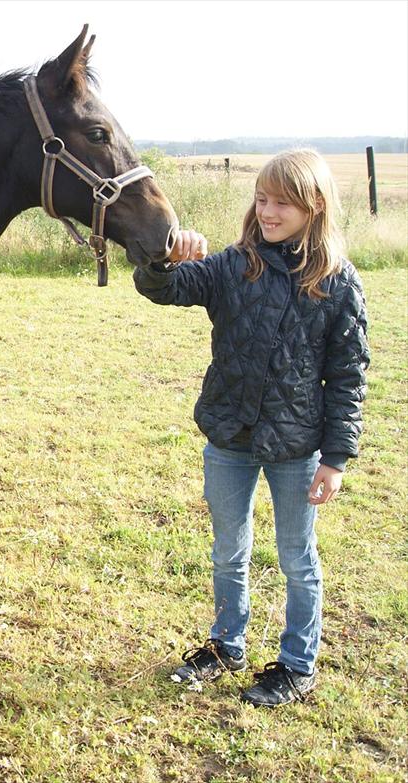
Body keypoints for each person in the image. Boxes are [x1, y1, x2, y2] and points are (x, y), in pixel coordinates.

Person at [134, 149, 370, 707]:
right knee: (228, 552)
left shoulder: (337, 282)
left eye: (281, 203)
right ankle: (226, 646)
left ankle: (297, 665)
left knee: (297, 559)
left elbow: (349, 376)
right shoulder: (233, 265)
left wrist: (336, 459)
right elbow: (164, 288)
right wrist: (165, 258)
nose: (266, 211)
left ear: (314, 205)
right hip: (229, 439)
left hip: (297, 448)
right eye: (261, 199)